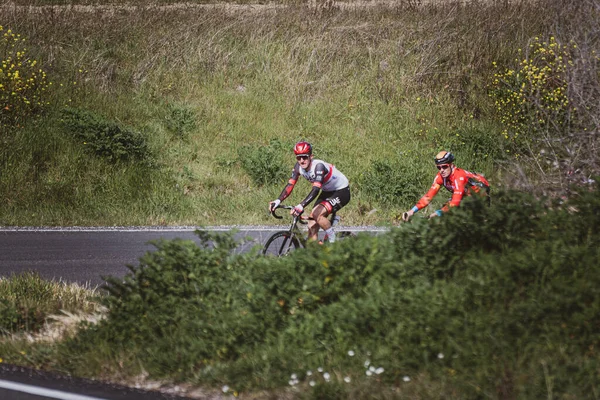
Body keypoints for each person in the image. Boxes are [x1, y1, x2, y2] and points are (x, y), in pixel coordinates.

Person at [268, 141, 351, 243]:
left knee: (317, 215)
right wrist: (278, 200)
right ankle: (316, 252)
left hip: (341, 191)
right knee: (311, 226)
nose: (302, 161)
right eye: (299, 158)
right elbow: (290, 185)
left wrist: (301, 205)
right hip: (327, 191)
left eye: (305, 157)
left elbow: (316, 190)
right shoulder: (298, 167)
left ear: (311, 156)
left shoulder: (318, 167)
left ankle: (332, 241)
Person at [402, 150, 490, 221]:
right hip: (466, 194)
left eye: (444, 167)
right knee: (446, 211)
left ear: (451, 165)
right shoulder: (440, 177)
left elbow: (455, 202)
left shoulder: (459, 177)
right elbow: (428, 197)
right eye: (439, 167)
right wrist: (412, 211)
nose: (441, 170)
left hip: (481, 194)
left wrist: (438, 213)